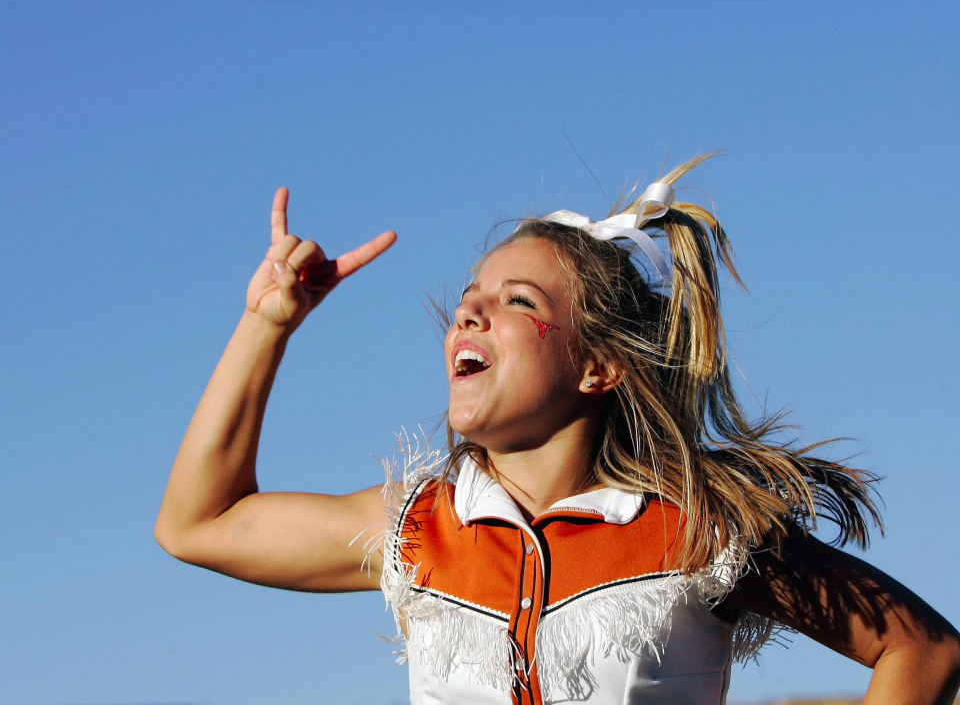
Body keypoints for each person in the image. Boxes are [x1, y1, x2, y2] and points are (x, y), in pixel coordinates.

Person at [155, 155, 960, 705]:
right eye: (471, 294)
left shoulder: (698, 530)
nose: (469, 308)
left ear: (599, 367)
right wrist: (266, 327)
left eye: (520, 301)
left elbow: (921, 649)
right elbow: (200, 523)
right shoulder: (416, 530)